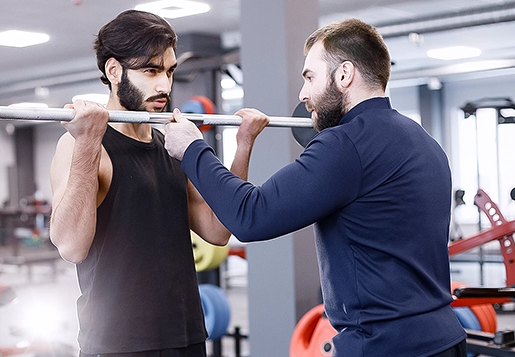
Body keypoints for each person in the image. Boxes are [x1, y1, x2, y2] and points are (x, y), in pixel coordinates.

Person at [164, 18, 467, 357]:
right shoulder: (422, 140)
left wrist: (192, 149)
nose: (302, 94)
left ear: (344, 75)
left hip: (384, 347)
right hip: (445, 339)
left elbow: (250, 216)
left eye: (309, 77)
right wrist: (246, 143)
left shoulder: (344, 145)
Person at [48, 10, 268, 357]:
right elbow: (71, 246)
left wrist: (243, 146)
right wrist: (88, 141)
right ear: (113, 70)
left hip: (187, 335)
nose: (164, 85)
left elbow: (218, 230)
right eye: (150, 70)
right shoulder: (84, 145)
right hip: (119, 344)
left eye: (169, 71)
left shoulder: (173, 145)